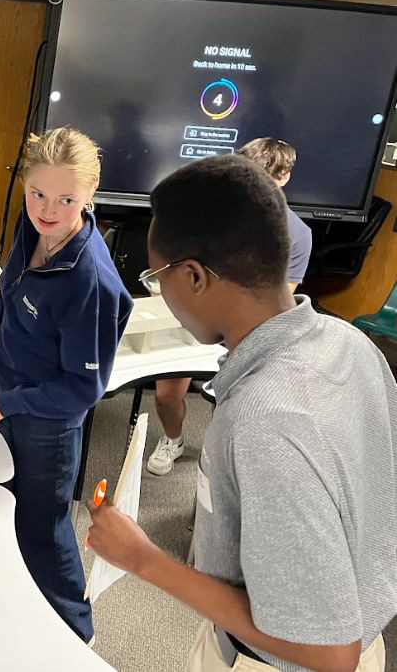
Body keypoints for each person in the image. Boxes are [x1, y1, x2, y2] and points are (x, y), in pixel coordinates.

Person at [88, 155, 394, 672]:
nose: (158, 289)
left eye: (156, 275)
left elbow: (327, 651)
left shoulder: (264, 420)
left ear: (194, 277)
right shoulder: (351, 343)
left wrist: (142, 558)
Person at [0, 127, 133, 643]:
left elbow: (83, 391)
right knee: (4, 505)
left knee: (43, 528)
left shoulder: (91, 281)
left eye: (66, 199)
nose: (49, 209)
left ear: (89, 198)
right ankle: (17, 605)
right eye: (38, 193)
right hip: (8, 397)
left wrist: (3, 402)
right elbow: (10, 284)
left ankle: (76, 635)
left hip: (47, 422)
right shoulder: (31, 223)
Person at [146, 137, 312, 477]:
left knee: (228, 422)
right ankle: (174, 440)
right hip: (210, 327)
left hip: (242, 339)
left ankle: (216, 462)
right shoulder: (351, 347)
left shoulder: (259, 418)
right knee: (167, 395)